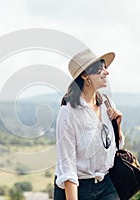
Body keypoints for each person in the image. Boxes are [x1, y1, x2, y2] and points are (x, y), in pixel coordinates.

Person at [54, 48, 125, 200]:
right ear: (86, 76)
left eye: (105, 68)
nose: (107, 72)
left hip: (106, 184)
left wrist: (117, 127)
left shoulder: (107, 103)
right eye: (101, 69)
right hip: (78, 188)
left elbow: (112, 149)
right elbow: (68, 167)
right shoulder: (68, 112)